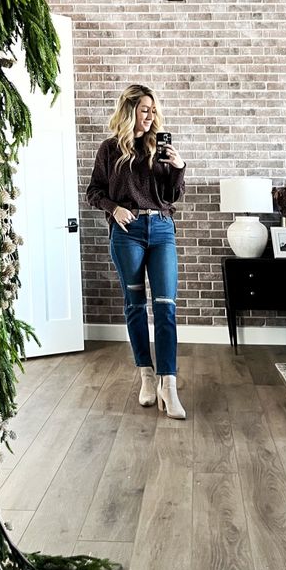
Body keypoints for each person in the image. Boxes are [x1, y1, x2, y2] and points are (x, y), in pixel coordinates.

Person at [86, 84, 187, 419]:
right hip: (126, 234)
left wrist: (178, 167)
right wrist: (114, 209)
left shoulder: (160, 148)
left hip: (161, 230)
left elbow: (172, 196)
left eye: (153, 110)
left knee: (166, 307)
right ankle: (146, 375)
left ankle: (168, 384)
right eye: (145, 109)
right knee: (134, 305)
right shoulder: (109, 150)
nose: (151, 115)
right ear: (130, 111)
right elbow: (93, 191)